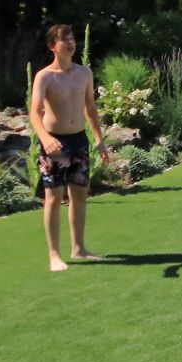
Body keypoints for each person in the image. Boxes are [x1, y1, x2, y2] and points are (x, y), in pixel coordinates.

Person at [28, 24, 111, 272]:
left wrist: (99, 139)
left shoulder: (84, 73)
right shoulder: (44, 76)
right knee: (53, 198)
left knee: (80, 195)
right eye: (65, 40)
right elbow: (34, 112)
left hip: (78, 141)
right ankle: (54, 254)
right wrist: (44, 137)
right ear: (53, 46)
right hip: (55, 144)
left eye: (73, 39)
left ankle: (79, 248)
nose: (71, 43)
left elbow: (91, 109)